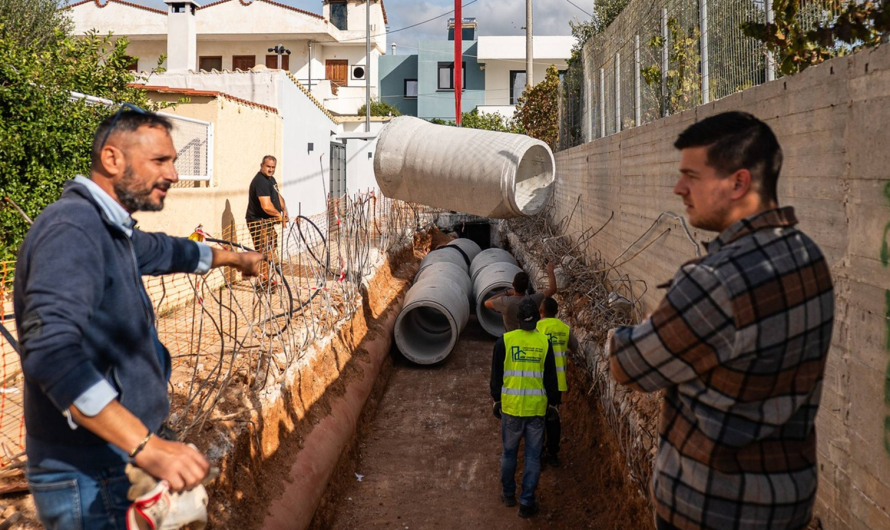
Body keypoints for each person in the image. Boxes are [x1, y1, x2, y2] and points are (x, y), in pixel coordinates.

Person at [14, 107, 265, 529]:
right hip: (91, 472)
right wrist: (147, 446)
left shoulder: (112, 231)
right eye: (161, 161)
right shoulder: (72, 229)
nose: (174, 175)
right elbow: (50, 351)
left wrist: (235, 258)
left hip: (116, 460)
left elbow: (170, 251)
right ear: (113, 159)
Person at [608, 111, 834, 530]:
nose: (678, 188)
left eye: (691, 176)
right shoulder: (808, 257)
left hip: (713, 511)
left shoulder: (713, 282)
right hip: (787, 507)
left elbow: (628, 363)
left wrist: (635, 324)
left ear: (738, 183)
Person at [490, 298, 560, 519]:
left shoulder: (505, 341)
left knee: (509, 453)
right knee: (532, 456)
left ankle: (509, 494)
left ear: (518, 320)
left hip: (511, 409)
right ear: (538, 318)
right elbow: (551, 378)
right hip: (536, 411)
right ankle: (527, 503)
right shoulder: (544, 343)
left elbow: (496, 377)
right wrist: (554, 403)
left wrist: (496, 399)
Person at [536, 296, 580, 468]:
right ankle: (552, 453)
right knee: (553, 418)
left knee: (538, 418)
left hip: (539, 380)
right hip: (558, 381)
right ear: (556, 312)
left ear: (541, 312)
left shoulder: (538, 327)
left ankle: (538, 452)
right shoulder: (564, 328)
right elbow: (574, 348)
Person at [245, 155, 288, 280]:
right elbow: (266, 206)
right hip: (258, 222)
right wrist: (278, 215)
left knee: (270, 250)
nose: (270, 169)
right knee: (263, 253)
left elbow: (278, 196)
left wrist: (284, 210)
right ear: (261, 166)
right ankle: (263, 282)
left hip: (267, 223)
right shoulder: (260, 182)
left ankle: (268, 279)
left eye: (273, 167)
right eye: (268, 166)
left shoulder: (271, 179)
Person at [484, 261, 557, 333]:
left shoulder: (505, 302)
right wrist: (550, 271)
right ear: (527, 287)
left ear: (513, 284)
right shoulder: (533, 300)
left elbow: (486, 303)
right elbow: (552, 289)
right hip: (529, 337)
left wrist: (506, 292)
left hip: (511, 337)